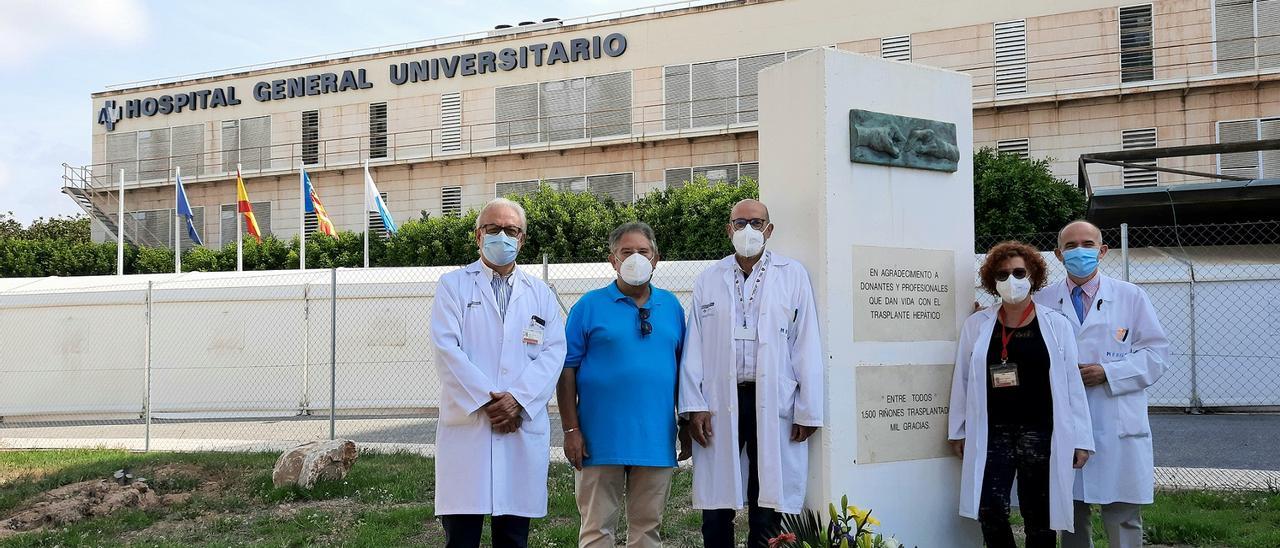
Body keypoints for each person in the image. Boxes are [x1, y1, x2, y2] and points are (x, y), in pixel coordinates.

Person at [679, 199, 824, 548]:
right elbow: (693, 347)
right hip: (719, 401)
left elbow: (806, 343)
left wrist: (808, 408)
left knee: (768, 497)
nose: (748, 230)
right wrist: (693, 406)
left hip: (774, 398)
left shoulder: (793, 275)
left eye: (756, 223)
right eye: (740, 222)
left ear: (769, 230)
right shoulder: (709, 279)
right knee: (717, 501)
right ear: (729, 230)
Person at [429, 197, 567, 548]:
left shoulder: (540, 294)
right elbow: (447, 349)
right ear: (478, 236)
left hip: (519, 424)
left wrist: (517, 400)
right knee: (461, 537)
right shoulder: (453, 286)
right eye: (493, 229)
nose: (502, 236)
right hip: (470, 426)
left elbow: (554, 352)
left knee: (513, 538)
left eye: (511, 230)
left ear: (521, 239)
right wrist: (491, 404)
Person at [948, 241, 1094, 548]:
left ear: (1033, 276)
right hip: (993, 432)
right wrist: (959, 430)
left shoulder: (1056, 325)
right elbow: (962, 379)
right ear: (992, 281)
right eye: (1002, 275)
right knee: (990, 509)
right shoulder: (977, 325)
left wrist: (1081, 438)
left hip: (1041, 431)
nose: (1010, 281)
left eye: (1018, 272)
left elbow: (1071, 386)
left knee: (1039, 513)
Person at [1037, 221, 1170, 548]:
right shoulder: (1042, 300)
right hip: (1066, 422)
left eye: (1087, 243)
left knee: (1123, 516)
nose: (1079, 251)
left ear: (1103, 250)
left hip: (1117, 421)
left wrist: (1108, 373)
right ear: (1058, 254)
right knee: (1070, 517)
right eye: (1070, 246)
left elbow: (1156, 354)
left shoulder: (1131, 296)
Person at [556, 221, 687, 548]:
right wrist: (571, 430)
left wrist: (685, 423)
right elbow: (566, 369)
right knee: (597, 530)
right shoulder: (588, 306)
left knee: (647, 531)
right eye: (626, 252)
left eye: (643, 251)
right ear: (612, 259)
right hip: (598, 441)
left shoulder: (672, 307)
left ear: (656, 258)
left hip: (655, 440)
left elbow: (685, 371)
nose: (635, 258)